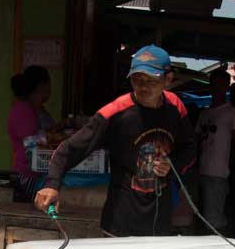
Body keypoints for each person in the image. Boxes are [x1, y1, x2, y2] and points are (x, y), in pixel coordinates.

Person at [33, 45, 196, 236]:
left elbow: (190, 149)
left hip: (159, 220)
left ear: (168, 80)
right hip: (120, 221)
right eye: (137, 79)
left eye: (151, 81)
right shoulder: (115, 112)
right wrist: (51, 185)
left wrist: (172, 165)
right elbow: (68, 149)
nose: (143, 87)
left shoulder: (176, 106)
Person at [195, 68, 235, 233]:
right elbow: (197, 143)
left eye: (221, 85)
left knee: (214, 220)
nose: (217, 88)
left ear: (226, 88)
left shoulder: (232, 113)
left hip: (218, 174)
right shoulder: (204, 113)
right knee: (200, 217)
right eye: (214, 84)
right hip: (199, 172)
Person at [7, 65, 55, 201]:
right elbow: (31, 142)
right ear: (42, 85)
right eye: (49, 84)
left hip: (36, 171)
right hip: (29, 174)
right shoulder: (24, 110)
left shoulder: (35, 108)